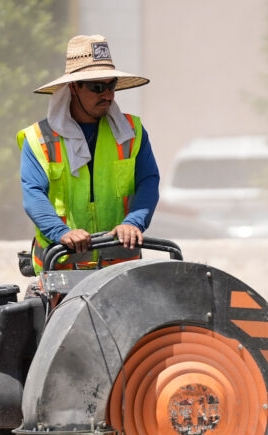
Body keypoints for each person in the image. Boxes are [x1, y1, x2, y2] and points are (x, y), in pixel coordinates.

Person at [17, 34, 159, 273]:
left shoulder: (133, 133)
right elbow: (33, 195)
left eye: (111, 85)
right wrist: (61, 233)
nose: (108, 95)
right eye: (97, 87)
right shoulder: (39, 139)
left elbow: (148, 181)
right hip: (61, 270)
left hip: (119, 273)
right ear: (74, 87)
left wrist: (133, 223)